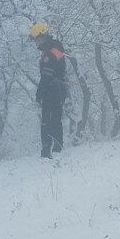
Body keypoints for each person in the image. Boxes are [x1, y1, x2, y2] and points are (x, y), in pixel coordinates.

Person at [30, 22, 67, 158]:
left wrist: (38, 95)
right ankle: (57, 147)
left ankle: (48, 150)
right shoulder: (54, 48)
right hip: (58, 89)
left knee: (48, 121)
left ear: (43, 37)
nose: (36, 42)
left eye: (37, 39)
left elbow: (46, 77)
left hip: (52, 90)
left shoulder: (49, 54)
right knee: (55, 119)